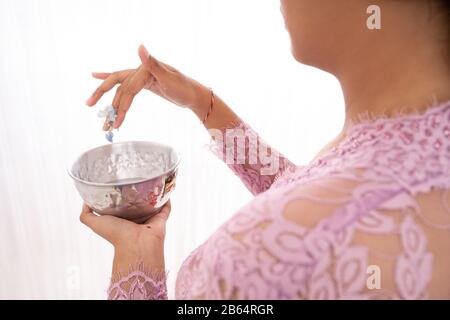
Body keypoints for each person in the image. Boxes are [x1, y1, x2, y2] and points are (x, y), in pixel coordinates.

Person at [81, 0, 450, 299]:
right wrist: (204, 103)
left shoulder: (254, 258)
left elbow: (315, 220)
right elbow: (311, 192)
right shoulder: (422, 134)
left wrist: (137, 259)